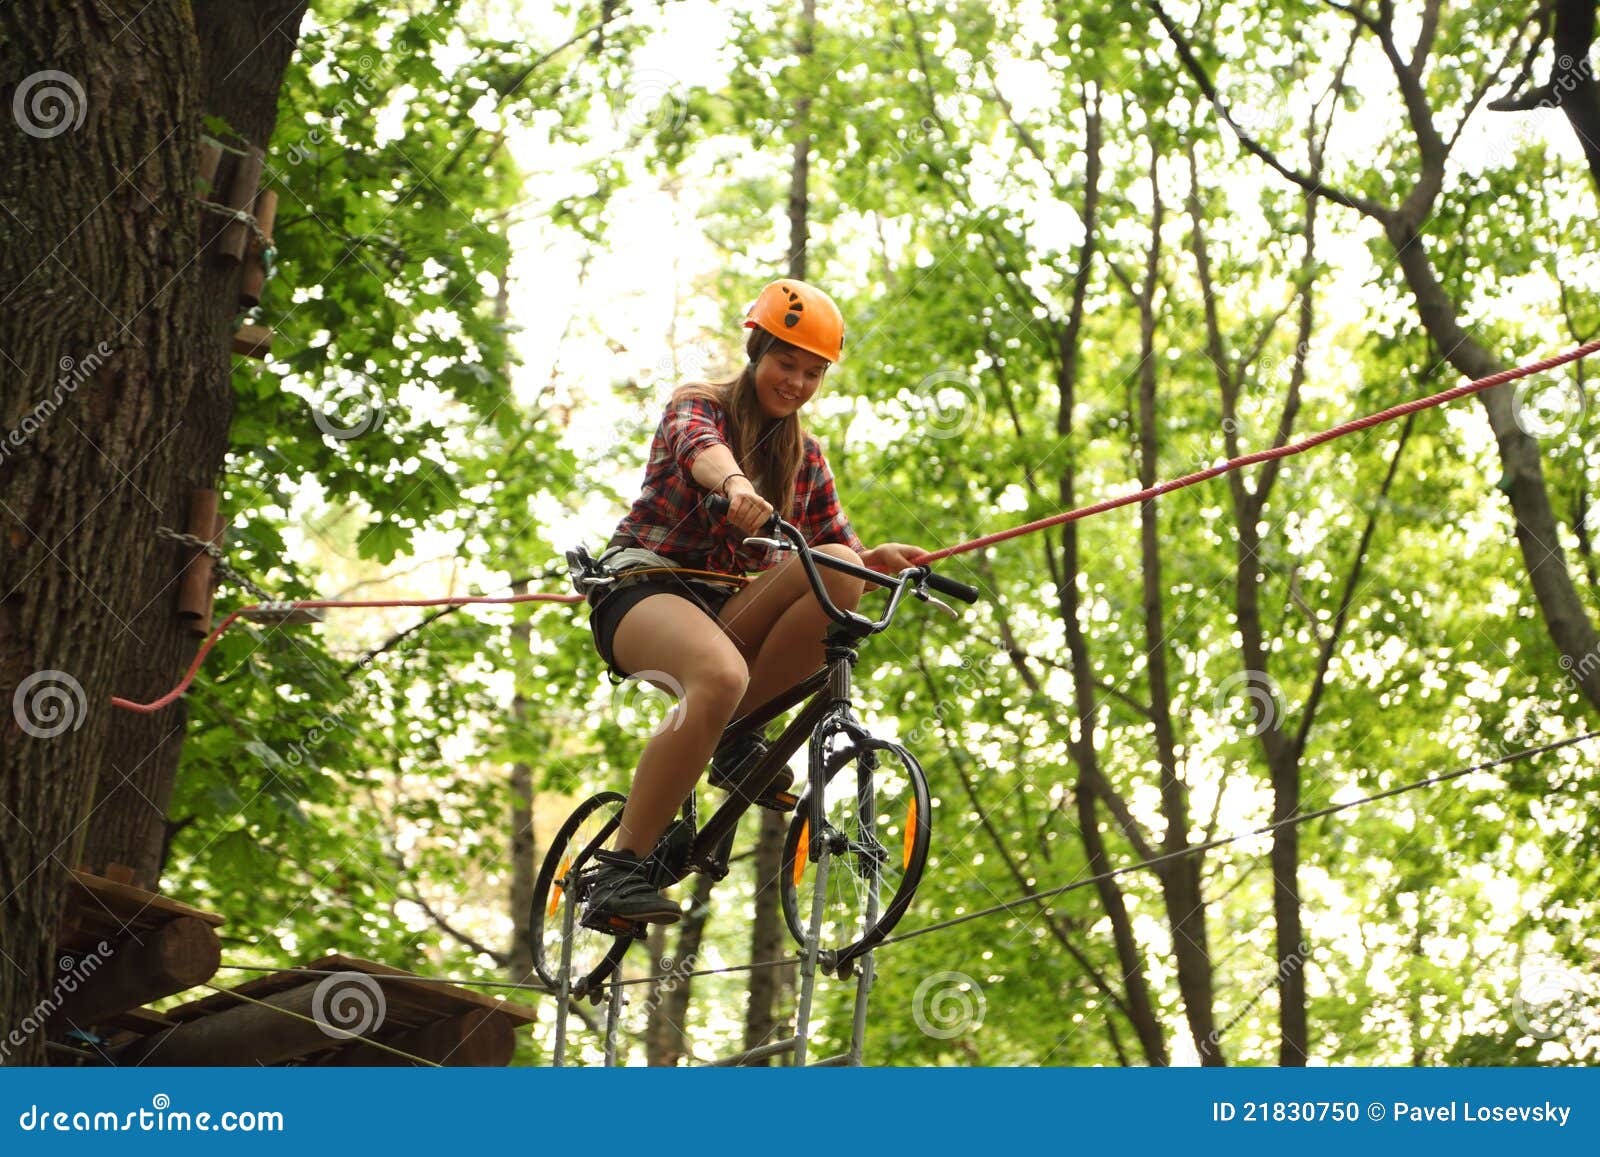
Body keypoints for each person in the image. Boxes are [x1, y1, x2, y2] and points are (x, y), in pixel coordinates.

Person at [579, 278, 927, 925]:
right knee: (719, 673)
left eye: (812, 373)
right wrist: (736, 485)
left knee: (841, 569)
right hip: (643, 589)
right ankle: (619, 870)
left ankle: (738, 734)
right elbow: (700, 449)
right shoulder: (700, 404)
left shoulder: (805, 458)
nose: (796, 383)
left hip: (724, 611)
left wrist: (876, 560)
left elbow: (836, 550)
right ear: (756, 351)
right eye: (785, 364)